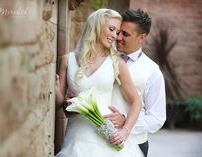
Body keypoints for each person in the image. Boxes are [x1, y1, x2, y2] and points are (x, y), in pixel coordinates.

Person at [55, 8, 143, 157]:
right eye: (112, 29)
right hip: (77, 137)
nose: (115, 36)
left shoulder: (116, 63)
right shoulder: (67, 60)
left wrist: (125, 131)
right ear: (96, 25)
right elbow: (61, 105)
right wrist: (58, 94)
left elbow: (137, 101)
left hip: (107, 137)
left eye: (117, 32)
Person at [103, 8, 166, 157]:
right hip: (98, 139)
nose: (118, 37)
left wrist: (126, 122)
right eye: (118, 32)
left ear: (142, 37)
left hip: (134, 144)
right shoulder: (103, 58)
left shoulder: (153, 72)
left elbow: (157, 118)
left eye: (125, 34)